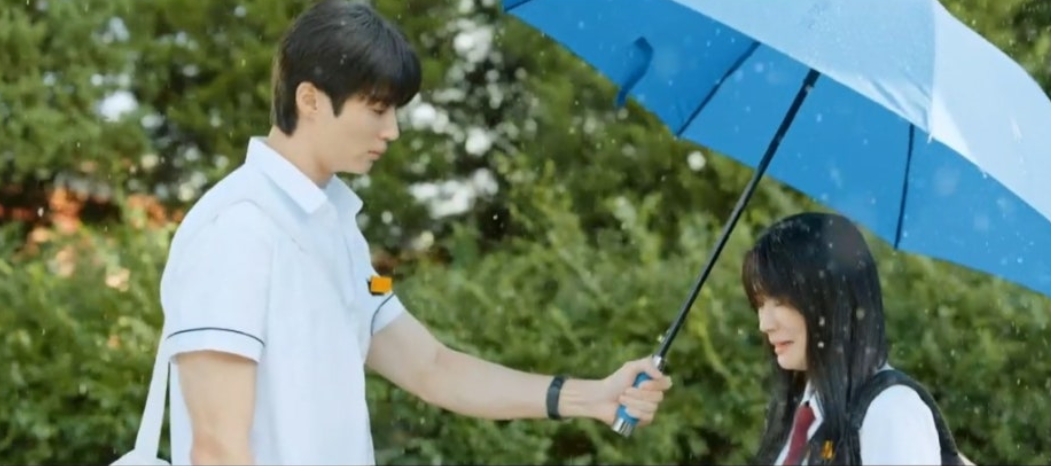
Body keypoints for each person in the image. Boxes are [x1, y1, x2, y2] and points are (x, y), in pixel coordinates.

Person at [156, 1, 672, 464]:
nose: (392, 130)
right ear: (310, 99)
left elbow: (432, 368)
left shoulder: (334, 230)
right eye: (377, 108)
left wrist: (591, 396)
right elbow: (218, 450)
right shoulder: (239, 228)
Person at [740, 211, 967, 465]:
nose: (764, 324)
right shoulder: (804, 412)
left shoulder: (890, 411)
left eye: (780, 301)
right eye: (760, 303)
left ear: (832, 300)